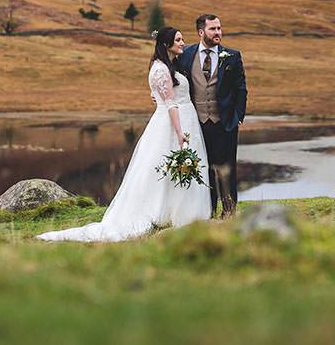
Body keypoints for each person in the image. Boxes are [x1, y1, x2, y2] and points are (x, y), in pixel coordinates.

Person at [37, 26, 210, 242]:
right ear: (167, 44)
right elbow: (170, 105)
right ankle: (162, 212)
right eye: (178, 39)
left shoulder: (167, 66)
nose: (183, 42)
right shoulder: (161, 69)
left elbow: (165, 95)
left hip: (183, 118)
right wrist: (179, 133)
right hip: (173, 123)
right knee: (165, 166)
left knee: (170, 168)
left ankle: (174, 211)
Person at [176, 13, 247, 218]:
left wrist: (238, 116)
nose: (218, 32)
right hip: (197, 123)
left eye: (219, 28)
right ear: (201, 32)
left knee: (227, 168)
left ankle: (229, 211)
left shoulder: (232, 56)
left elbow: (241, 88)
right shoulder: (186, 54)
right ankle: (207, 211)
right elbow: (171, 75)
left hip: (224, 123)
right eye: (213, 29)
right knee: (203, 168)